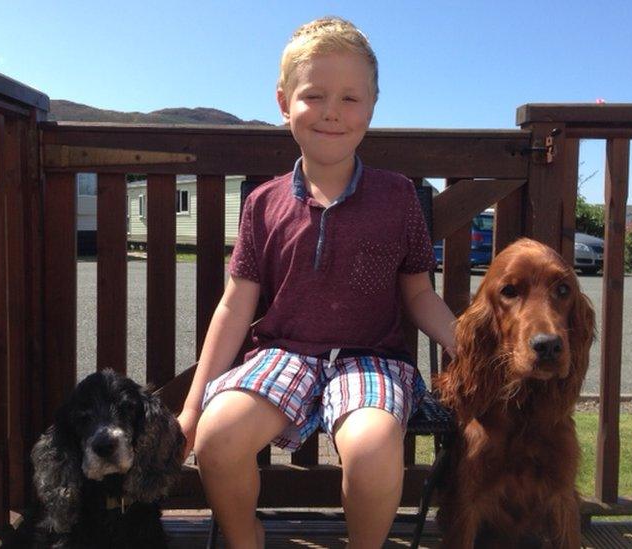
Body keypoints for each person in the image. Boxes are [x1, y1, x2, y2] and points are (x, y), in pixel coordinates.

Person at [175, 17, 457, 549]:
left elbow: (418, 293)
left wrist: (468, 343)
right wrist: (191, 408)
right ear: (284, 103)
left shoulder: (398, 198)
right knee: (218, 434)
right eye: (315, 95)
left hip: (371, 358)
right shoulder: (264, 203)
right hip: (283, 353)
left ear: (372, 107)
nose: (332, 111)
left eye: (351, 98)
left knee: (374, 446)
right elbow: (236, 305)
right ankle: (243, 538)